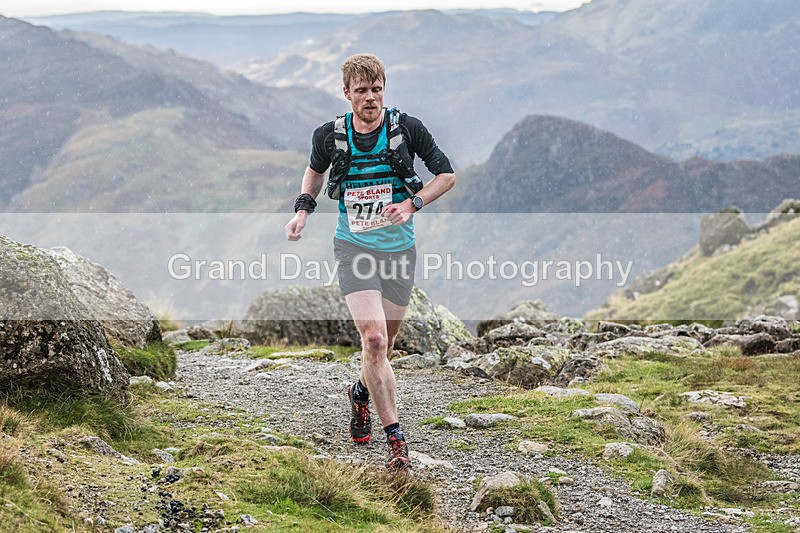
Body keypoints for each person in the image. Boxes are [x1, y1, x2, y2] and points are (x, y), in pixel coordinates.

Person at [285, 53, 455, 470]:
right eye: (361, 91)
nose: (371, 98)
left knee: (386, 346)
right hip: (353, 247)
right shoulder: (330, 135)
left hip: (399, 250)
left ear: (384, 89)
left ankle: (360, 393)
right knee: (375, 339)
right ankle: (396, 439)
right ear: (347, 93)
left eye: (377, 89)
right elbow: (315, 171)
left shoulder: (407, 129)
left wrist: (412, 204)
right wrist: (303, 209)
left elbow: (446, 176)